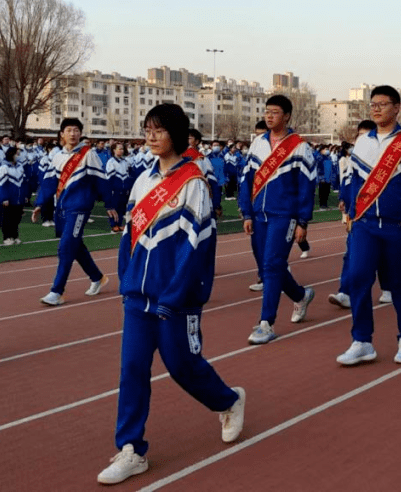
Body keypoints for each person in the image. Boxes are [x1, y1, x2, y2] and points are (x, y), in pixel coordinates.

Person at [98, 104, 245, 485]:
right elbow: (130, 237)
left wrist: (175, 295)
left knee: (182, 366)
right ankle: (131, 449)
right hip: (138, 297)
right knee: (132, 370)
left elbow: (195, 247)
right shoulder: (142, 180)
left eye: (158, 130)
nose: (150, 136)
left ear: (176, 134)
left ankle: (228, 401)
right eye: (147, 128)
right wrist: (126, 280)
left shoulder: (194, 183)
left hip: (175, 300)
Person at [337, 86, 401, 366]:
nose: (376, 109)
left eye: (383, 104)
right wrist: (352, 212)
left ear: (397, 107)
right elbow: (353, 182)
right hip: (365, 224)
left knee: (400, 283)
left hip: (398, 224)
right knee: (357, 278)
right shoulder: (363, 142)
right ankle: (362, 341)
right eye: (373, 104)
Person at [239, 95, 317, 346]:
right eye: (266, 112)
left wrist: (303, 220)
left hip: (284, 215)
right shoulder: (257, 145)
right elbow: (246, 180)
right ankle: (301, 295)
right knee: (268, 265)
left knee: (273, 263)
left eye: (274, 112)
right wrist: (247, 212)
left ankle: (266, 323)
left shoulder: (299, 147)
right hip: (259, 215)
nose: (269, 116)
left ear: (286, 116)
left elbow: (307, 186)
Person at [33, 118, 116, 305]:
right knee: (75, 245)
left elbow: (101, 180)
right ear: (62, 134)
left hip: (80, 207)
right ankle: (97, 277)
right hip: (61, 207)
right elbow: (49, 183)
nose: (73, 134)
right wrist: (39, 203)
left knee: (65, 246)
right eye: (69, 130)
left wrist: (109, 204)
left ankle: (57, 291)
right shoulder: (57, 156)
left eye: (76, 130)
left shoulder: (88, 154)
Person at [0, 146, 27, 246]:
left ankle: (15, 236)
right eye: (17, 154)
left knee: (16, 218)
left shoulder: (20, 166)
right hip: (9, 198)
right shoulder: (4, 167)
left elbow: (23, 182)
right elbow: (2, 185)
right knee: (7, 218)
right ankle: (7, 237)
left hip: (19, 198)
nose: (18, 156)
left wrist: (25, 195)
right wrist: (4, 198)